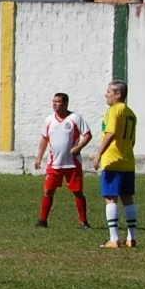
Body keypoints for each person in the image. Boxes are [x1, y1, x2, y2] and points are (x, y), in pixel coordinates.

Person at [33, 92, 93, 228]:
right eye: (53, 101)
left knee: (77, 192)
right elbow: (44, 138)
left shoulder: (75, 118)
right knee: (48, 191)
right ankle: (43, 220)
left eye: (58, 101)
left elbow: (88, 135)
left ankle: (84, 222)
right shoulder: (49, 120)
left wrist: (79, 147)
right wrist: (39, 157)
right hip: (54, 164)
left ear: (65, 103)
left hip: (72, 163)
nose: (54, 104)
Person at [95, 79, 139, 248]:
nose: (106, 94)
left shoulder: (114, 110)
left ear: (118, 94)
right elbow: (132, 141)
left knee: (110, 198)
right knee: (128, 199)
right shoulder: (131, 113)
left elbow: (111, 133)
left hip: (112, 160)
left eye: (109, 92)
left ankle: (114, 239)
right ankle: (131, 238)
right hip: (128, 161)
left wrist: (99, 153)